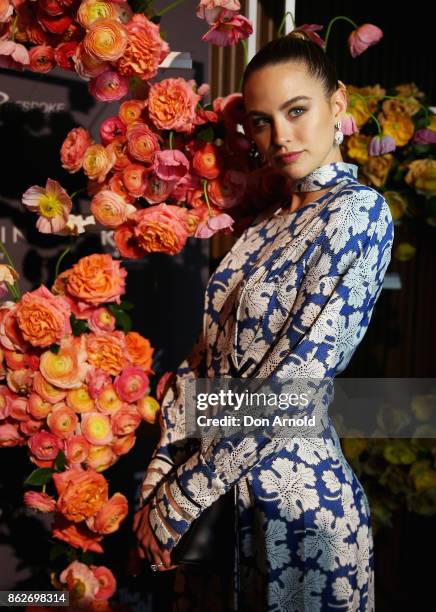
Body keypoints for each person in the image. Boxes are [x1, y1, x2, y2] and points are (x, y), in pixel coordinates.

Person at [134, 31, 394, 611]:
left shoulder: (359, 214)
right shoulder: (262, 228)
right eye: (260, 121)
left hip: (303, 513)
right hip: (221, 502)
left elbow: (296, 388)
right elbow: (203, 360)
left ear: (339, 103)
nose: (279, 137)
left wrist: (180, 499)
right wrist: (160, 468)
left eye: (296, 110)